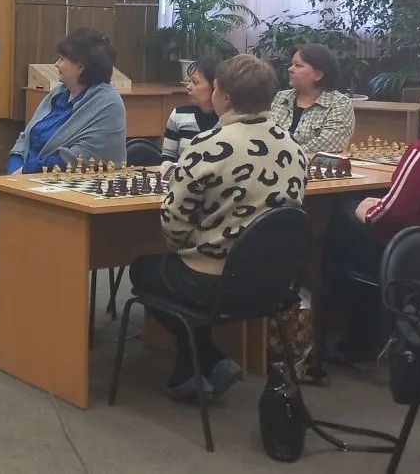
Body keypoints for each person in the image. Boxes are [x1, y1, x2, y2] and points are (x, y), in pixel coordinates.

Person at [0, 28, 127, 346]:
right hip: (26, 183)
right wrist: (15, 170)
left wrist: (28, 172)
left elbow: (87, 156)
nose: (57, 64)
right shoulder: (57, 94)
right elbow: (25, 136)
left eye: (63, 58)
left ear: (82, 65)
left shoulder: (107, 103)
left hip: (70, 192)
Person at [129, 55, 307, 401]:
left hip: (213, 281)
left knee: (144, 270)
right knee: (180, 275)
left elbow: (173, 222)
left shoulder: (207, 145)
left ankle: (208, 359)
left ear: (223, 97)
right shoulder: (294, 146)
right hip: (273, 280)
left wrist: (190, 246)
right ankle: (193, 368)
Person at [323, 70, 420, 358]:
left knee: (340, 221)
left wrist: (366, 210)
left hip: (413, 253)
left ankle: (355, 338)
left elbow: (392, 216)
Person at [270, 44, 354, 157]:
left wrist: (283, 155)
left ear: (318, 75)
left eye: (298, 65)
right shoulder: (279, 97)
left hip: (311, 166)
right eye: (291, 64)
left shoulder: (339, 104)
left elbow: (329, 144)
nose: (290, 69)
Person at [160, 57, 220, 170]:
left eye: (195, 82)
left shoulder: (228, 120)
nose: (188, 87)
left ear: (215, 86)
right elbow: (167, 158)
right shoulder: (178, 116)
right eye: (189, 82)